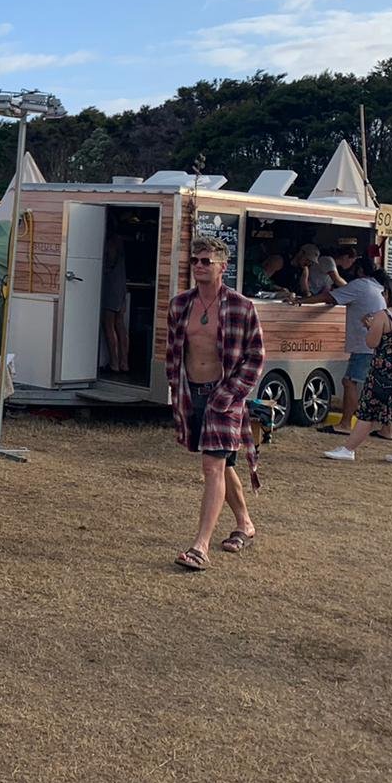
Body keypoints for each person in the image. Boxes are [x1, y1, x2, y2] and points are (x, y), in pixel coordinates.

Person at [167, 235, 266, 572]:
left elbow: (256, 358)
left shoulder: (241, 306)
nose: (198, 266)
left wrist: (231, 394)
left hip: (225, 396)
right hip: (191, 394)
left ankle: (200, 546)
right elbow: (173, 353)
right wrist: (175, 390)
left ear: (223, 266)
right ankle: (245, 523)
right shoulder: (180, 304)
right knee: (223, 466)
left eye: (206, 261)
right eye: (194, 260)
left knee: (211, 466)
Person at [324, 277, 392, 464]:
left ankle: (349, 449)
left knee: (369, 410)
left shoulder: (384, 316)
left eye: (384, 293)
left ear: (390, 294)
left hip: (385, 369)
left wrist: (370, 326)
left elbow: (371, 342)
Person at [297, 257, 385, 437]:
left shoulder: (361, 285)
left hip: (363, 344)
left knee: (350, 382)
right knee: (376, 385)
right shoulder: (377, 286)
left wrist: (301, 301)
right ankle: (385, 427)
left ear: (360, 270)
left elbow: (329, 297)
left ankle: (345, 424)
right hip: (375, 343)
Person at [101, 234, 129, 374]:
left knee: (109, 324)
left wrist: (103, 268)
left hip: (111, 285)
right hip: (121, 285)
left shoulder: (112, 242)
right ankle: (124, 363)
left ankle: (114, 363)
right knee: (120, 324)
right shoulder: (120, 242)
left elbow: (110, 262)